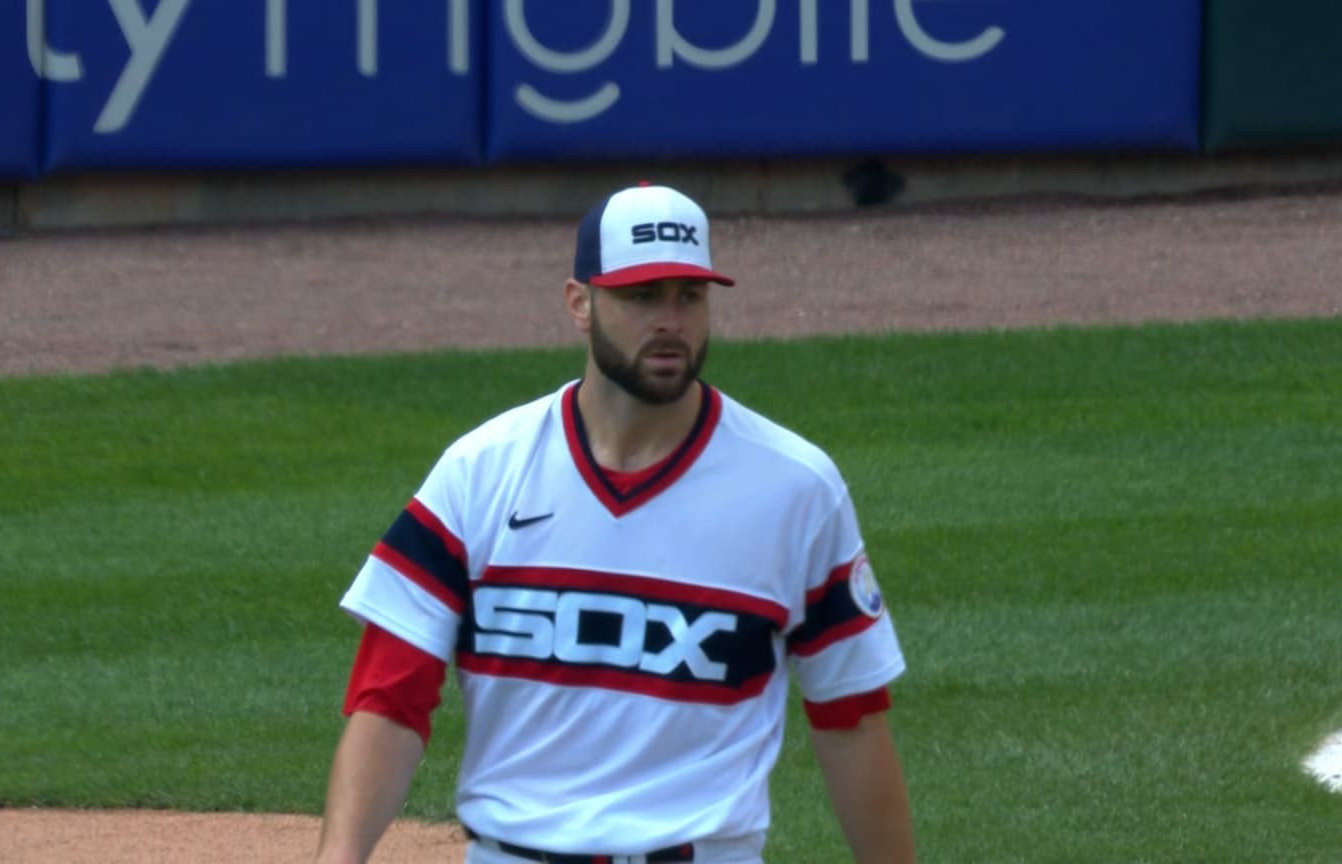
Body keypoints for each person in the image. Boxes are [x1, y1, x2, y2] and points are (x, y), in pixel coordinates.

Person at [313, 183, 916, 864]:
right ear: (580, 303)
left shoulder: (794, 488)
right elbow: (390, 697)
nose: (670, 320)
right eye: (641, 296)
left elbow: (852, 720)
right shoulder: (481, 471)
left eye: (689, 297)